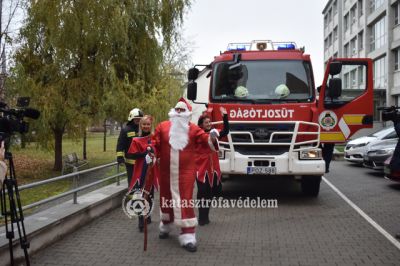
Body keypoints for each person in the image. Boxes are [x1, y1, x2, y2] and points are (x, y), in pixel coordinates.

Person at [151, 98, 219, 252]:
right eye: (177, 110)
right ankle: (166, 225)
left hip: (186, 172)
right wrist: (151, 152)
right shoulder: (163, 127)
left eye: (183, 110)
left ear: (187, 114)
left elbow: (205, 139)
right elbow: (155, 144)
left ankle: (188, 234)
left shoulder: (194, 129)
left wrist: (212, 136)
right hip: (166, 171)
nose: (180, 112)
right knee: (166, 197)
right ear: (173, 112)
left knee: (185, 200)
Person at [196, 107, 229, 225]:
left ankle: (206, 216)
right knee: (202, 191)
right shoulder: (198, 134)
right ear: (201, 124)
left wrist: (225, 116)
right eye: (206, 122)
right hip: (201, 167)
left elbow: (225, 131)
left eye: (210, 122)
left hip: (213, 167)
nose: (209, 124)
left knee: (210, 192)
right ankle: (201, 217)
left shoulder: (213, 133)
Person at [126, 115, 158, 232]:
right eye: (143, 124)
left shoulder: (154, 138)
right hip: (140, 171)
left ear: (151, 126)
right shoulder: (136, 140)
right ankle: (141, 220)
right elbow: (131, 154)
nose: (146, 126)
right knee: (140, 195)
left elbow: (158, 151)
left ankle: (148, 215)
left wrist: (153, 155)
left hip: (151, 171)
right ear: (140, 125)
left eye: (148, 124)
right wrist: (144, 154)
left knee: (150, 195)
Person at [116, 108, 143, 187]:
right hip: (131, 164)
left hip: (142, 162)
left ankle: (142, 198)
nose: (138, 120)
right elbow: (120, 144)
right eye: (136, 119)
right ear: (131, 118)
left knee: (142, 182)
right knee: (132, 183)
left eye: (140, 119)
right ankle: (132, 198)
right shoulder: (125, 130)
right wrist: (120, 157)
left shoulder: (143, 129)